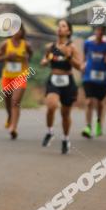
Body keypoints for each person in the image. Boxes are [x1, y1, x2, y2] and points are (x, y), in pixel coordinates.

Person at [40, 18, 83, 154]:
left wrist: (69, 57)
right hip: (54, 79)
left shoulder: (72, 47)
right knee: (51, 105)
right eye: (59, 26)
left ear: (68, 31)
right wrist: (46, 60)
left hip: (68, 81)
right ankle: (50, 131)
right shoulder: (50, 47)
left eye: (63, 26)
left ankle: (65, 139)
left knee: (65, 114)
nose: (60, 28)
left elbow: (79, 66)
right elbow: (43, 61)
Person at [80, 25, 106, 139]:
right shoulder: (88, 44)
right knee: (88, 102)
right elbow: (85, 58)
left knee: (100, 104)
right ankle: (87, 127)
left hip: (103, 79)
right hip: (89, 77)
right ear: (94, 31)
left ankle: (98, 124)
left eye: (102, 30)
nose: (99, 32)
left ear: (104, 33)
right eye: (97, 30)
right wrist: (82, 66)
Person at [0, 23, 32, 140]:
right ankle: (10, 117)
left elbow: (30, 55)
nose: (17, 32)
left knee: (15, 101)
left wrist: (26, 57)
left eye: (19, 30)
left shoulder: (26, 45)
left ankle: (13, 128)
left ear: (22, 31)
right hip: (8, 76)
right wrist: (6, 57)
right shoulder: (6, 44)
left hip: (20, 76)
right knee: (8, 100)